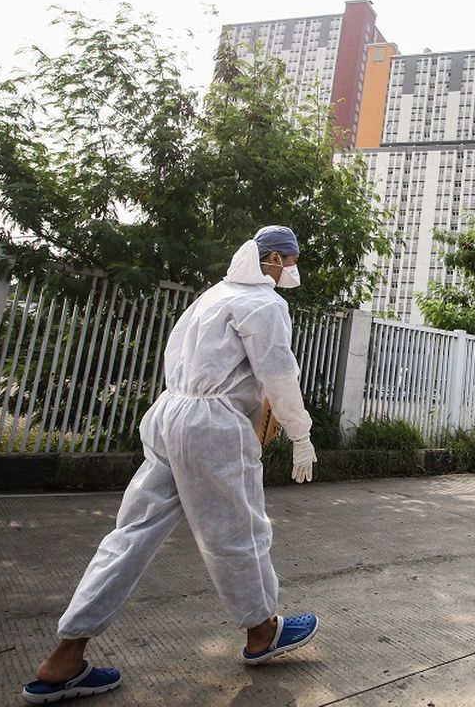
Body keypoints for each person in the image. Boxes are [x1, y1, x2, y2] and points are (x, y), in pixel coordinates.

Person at [22, 226, 321, 704]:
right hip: (212, 425)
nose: (292, 268)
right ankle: (262, 632)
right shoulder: (266, 304)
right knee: (238, 531)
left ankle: (63, 659)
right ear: (275, 259)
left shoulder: (214, 295)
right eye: (290, 259)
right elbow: (278, 374)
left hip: (168, 413)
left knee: (130, 534)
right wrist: (300, 434)